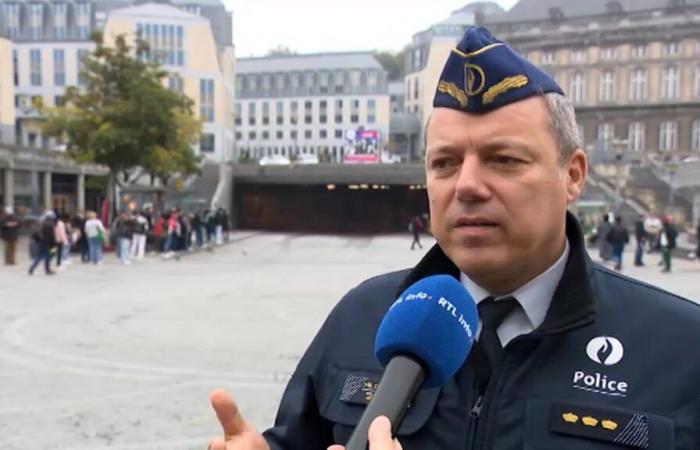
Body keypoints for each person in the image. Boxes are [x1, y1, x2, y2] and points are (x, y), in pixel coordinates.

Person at [206, 27, 700, 450]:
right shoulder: (364, 314)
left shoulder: (679, 346)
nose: (465, 185)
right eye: (444, 164)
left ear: (572, 175)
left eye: (503, 159)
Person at [28, 211, 57, 275]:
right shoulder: (50, 224)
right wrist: (54, 244)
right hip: (48, 243)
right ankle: (47, 270)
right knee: (49, 256)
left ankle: (31, 268)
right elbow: (52, 236)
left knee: (39, 256)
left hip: (41, 242)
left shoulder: (42, 222)